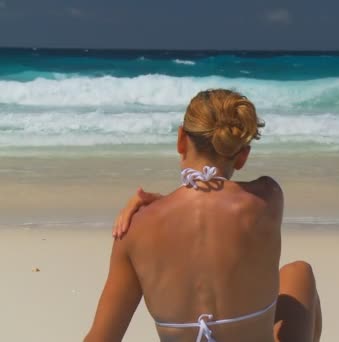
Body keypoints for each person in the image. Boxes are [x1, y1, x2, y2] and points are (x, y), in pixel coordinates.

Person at [84, 89, 322, 342]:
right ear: (242, 156)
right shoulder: (268, 198)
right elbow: (214, 213)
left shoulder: (135, 228)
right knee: (299, 272)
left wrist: (154, 207)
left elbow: (102, 338)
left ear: (181, 140)